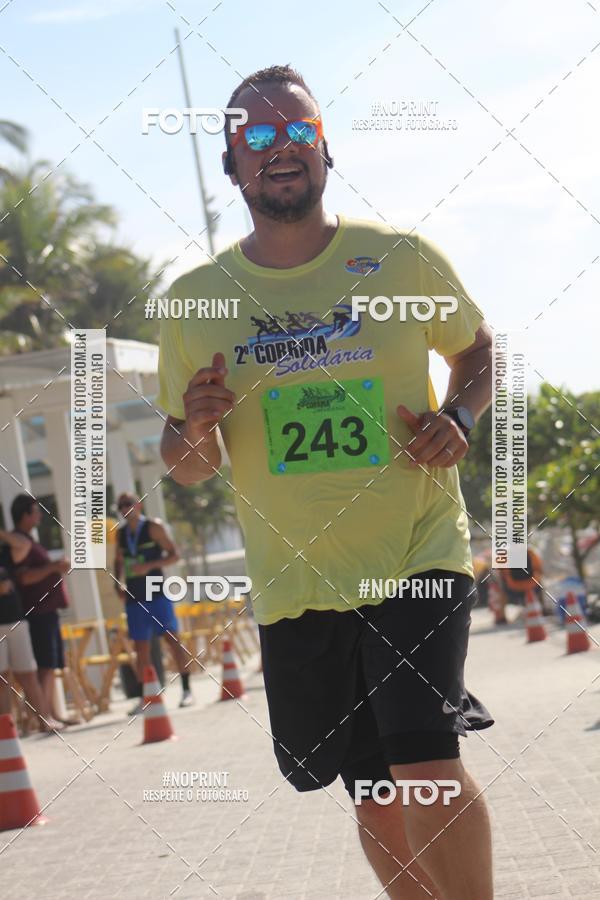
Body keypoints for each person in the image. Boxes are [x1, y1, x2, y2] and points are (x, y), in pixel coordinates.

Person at [158, 65, 494, 900]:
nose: (282, 149)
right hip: (298, 580)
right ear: (233, 165)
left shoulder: (401, 260)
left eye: (298, 132)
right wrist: (197, 425)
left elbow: (480, 351)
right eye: (260, 137)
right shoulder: (196, 303)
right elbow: (187, 462)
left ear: (325, 151)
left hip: (416, 547)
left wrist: (460, 417)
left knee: (423, 755)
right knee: (375, 793)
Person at [113, 493, 193, 713]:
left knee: (173, 641)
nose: (125, 509)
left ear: (138, 505)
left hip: (156, 593)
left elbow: (175, 554)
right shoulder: (120, 535)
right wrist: (117, 584)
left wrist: (151, 565)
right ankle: (146, 696)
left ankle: (187, 689)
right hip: (134, 596)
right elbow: (118, 561)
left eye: (128, 504)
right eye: (121, 506)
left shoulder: (153, 527)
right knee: (141, 648)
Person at [10, 495, 74, 725]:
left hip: (48, 610)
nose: (39, 516)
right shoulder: (19, 543)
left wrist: (55, 568)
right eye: (36, 511)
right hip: (37, 612)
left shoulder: (30, 541)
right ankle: (42, 717)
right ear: (25, 515)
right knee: (44, 665)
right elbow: (25, 577)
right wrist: (54, 567)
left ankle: (51, 713)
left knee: (50, 665)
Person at [0, 527, 64, 732]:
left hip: (17, 620)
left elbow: (24, 545)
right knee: (2, 679)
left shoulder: (5, 550)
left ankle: (45, 720)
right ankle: (5, 729)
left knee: (28, 674)